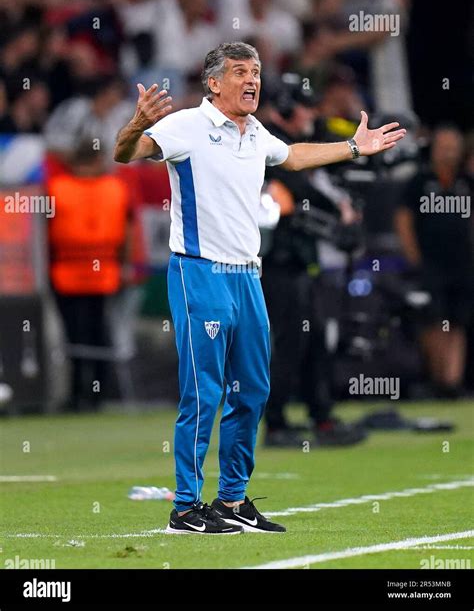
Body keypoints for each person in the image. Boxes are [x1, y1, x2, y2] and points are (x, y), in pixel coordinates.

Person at [114, 41, 406, 535]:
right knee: (204, 393)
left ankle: (231, 500)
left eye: (256, 72)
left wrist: (355, 147)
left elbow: (290, 156)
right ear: (213, 83)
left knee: (254, 389)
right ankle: (185, 507)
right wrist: (137, 122)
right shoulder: (186, 125)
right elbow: (126, 154)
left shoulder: (253, 132)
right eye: (240, 72)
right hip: (200, 271)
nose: (253, 80)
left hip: (248, 275)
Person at [260, 76, 366, 447]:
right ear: (285, 107)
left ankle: (319, 415)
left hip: (299, 257)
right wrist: (337, 208)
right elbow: (296, 180)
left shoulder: (298, 136)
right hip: (273, 259)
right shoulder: (263, 138)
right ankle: (275, 423)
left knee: (315, 337)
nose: (310, 113)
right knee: (290, 340)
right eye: (303, 105)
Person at [48, 142, 131, 411]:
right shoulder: (115, 188)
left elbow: (44, 234)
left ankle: (77, 395)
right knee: (100, 335)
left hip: (66, 273)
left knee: (74, 338)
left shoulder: (56, 189)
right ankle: (98, 395)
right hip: (105, 274)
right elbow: (128, 233)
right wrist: (126, 266)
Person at [394, 125, 473, 398]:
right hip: (430, 262)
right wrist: (413, 255)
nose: (449, 152)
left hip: (463, 262)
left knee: (459, 321)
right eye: (444, 146)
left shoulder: (466, 180)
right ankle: (436, 378)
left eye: (453, 147)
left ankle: (452, 381)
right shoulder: (419, 181)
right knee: (434, 320)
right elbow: (404, 219)